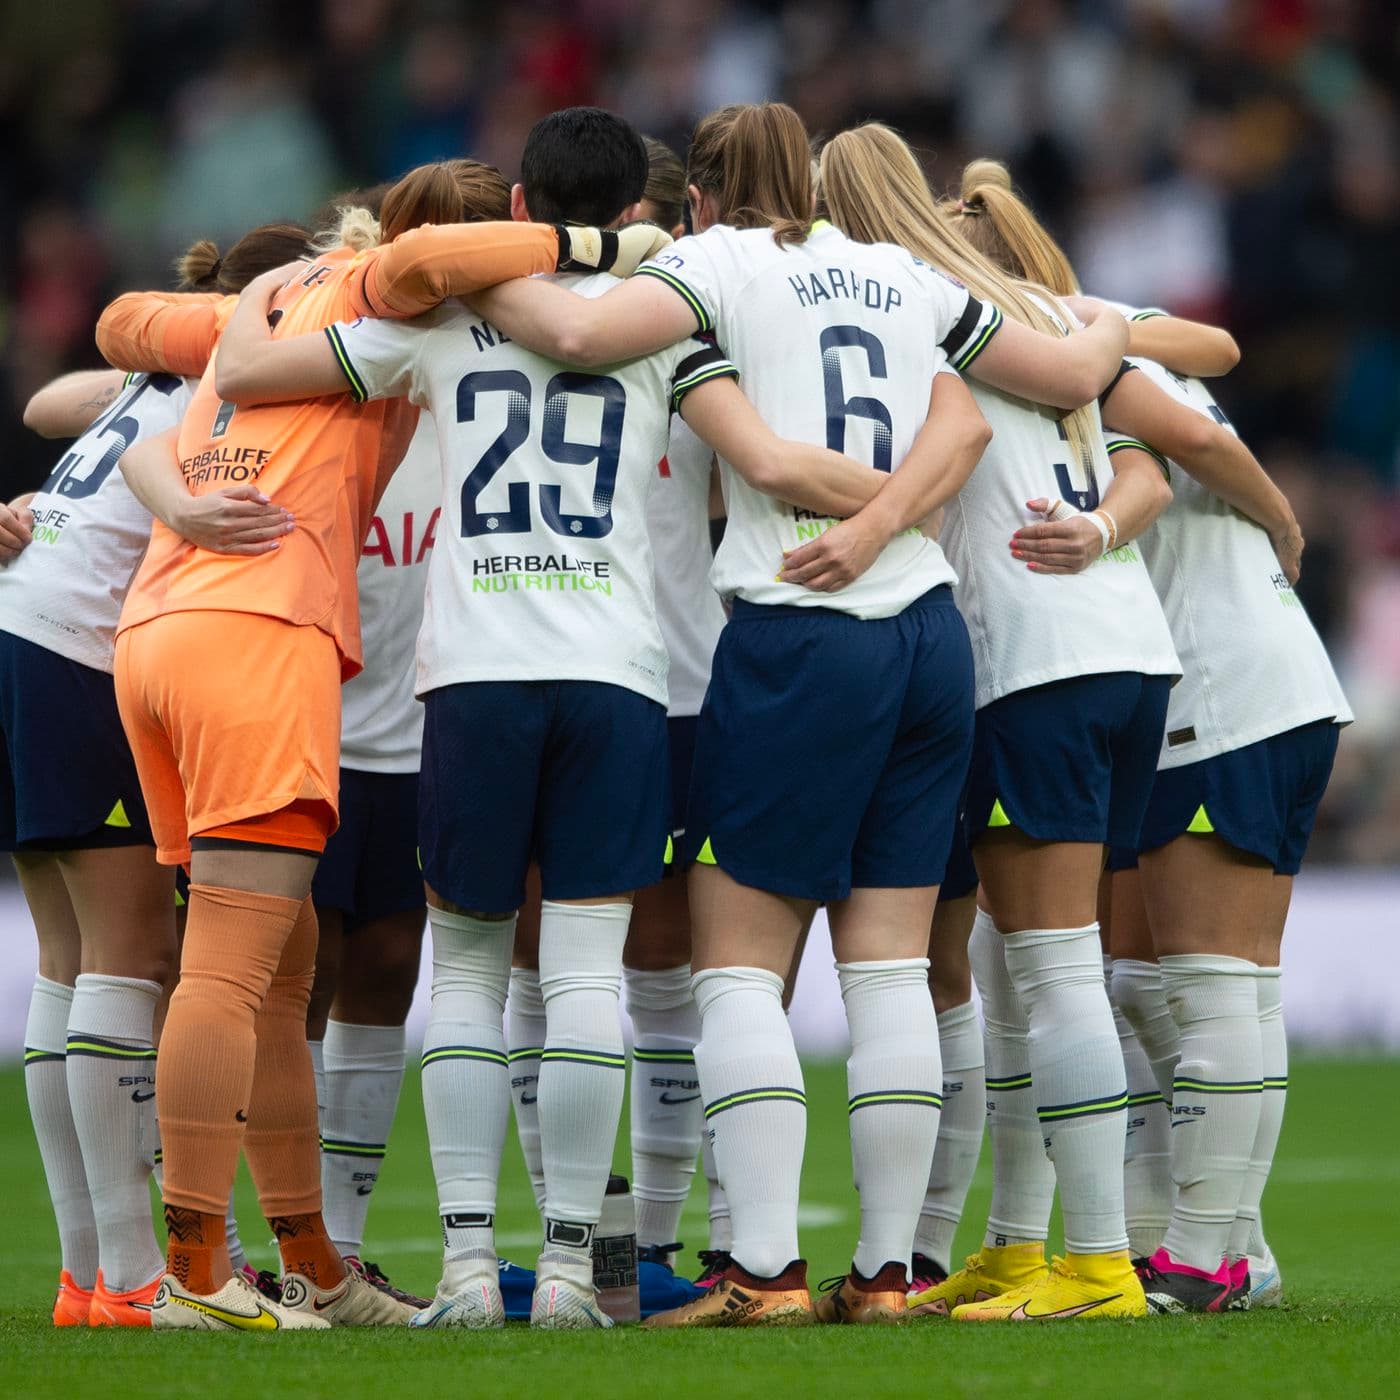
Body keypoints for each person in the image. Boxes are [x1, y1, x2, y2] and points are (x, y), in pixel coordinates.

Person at [212, 104, 987, 1330]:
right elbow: (774, 460)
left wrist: (321, 281)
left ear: (518, 209)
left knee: (467, 973)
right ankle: (583, 1267)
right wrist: (897, 512)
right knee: (589, 977)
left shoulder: (442, 321)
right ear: (641, 211)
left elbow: (245, 369)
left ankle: (470, 1269)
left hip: (472, 674)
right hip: (625, 675)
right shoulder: (673, 334)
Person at [462, 101, 1135, 1328]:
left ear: (703, 197)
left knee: (734, 971)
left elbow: (576, 330)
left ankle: (762, 1267)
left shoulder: (707, 264)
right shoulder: (896, 268)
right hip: (928, 639)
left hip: (794, 631)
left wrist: (452, 265)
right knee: (886, 970)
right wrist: (892, 521)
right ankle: (887, 1273)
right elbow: (991, 406)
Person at [95, 159, 666, 1333]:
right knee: (229, 967)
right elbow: (423, 266)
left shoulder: (288, 294)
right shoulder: (384, 286)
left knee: (281, 966)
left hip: (157, 629)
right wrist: (605, 248)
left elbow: (120, 322)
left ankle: (309, 1257)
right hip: (257, 633)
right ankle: (197, 1274)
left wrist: (208, 382)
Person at [952, 159, 1347, 1313]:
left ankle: (1211, 1252)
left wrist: (1280, 518)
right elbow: (1214, 353)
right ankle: (1228, 1241)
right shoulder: (1092, 338)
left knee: (1214, 988)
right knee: (1142, 978)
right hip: (1215, 683)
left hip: (1225, 686)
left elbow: (1193, 441)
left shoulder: (1082, 356)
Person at [820, 123, 1180, 1324]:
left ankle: (1096, 1261)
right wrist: (1106, 517)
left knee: (1049, 966)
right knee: (1015, 973)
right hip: (1120, 646)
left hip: (1032, 659)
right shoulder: (1037, 301)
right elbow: (1141, 457)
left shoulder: (911, 304)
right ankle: (1021, 1247)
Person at [6, 225, 312, 1329]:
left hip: (20, 628)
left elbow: (50, 409)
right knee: (128, 959)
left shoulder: (162, 368)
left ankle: (86, 1273)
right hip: (79, 652)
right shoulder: (229, 379)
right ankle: (134, 1271)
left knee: (68, 959)